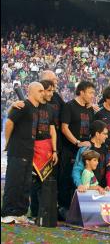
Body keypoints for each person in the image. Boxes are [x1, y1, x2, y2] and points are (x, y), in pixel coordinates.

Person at [1, 82, 45, 224]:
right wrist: (8, 142)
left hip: (28, 151)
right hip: (17, 150)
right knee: (14, 182)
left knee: (25, 184)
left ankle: (20, 213)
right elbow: (9, 123)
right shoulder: (22, 105)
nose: (42, 93)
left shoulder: (35, 109)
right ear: (30, 91)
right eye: (40, 90)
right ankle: (8, 213)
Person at [60, 81, 96, 210]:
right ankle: (63, 208)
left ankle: (79, 209)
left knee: (82, 179)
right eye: (90, 92)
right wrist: (77, 142)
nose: (93, 96)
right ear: (81, 92)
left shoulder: (90, 109)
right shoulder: (69, 106)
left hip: (85, 151)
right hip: (70, 150)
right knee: (67, 179)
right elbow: (64, 128)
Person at [29, 80, 59, 220]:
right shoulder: (31, 106)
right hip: (32, 147)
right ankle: (34, 212)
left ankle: (43, 212)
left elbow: (53, 131)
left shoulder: (51, 109)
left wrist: (54, 151)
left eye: (52, 91)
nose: (51, 93)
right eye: (48, 90)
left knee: (45, 182)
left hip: (46, 149)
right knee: (33, 182)